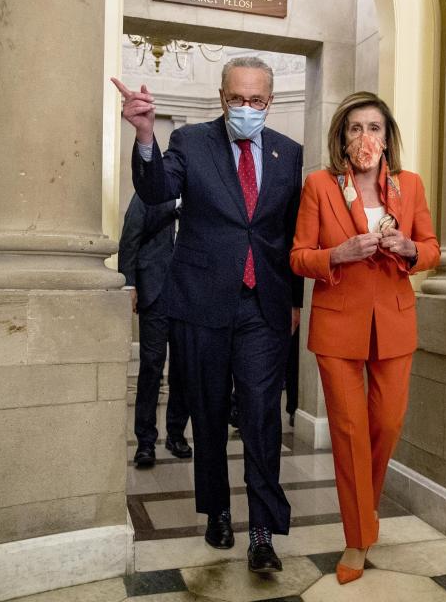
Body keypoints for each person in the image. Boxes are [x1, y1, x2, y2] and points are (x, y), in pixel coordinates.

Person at [112, 56, 303, 574]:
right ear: (222, 98)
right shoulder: (191, 143)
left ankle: (263, 529)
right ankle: (217, 510)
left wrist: (295, 303)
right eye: (237, 98)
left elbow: (292, 235)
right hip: (200, 303)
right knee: (210, 412)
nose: (246, 108)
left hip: (262, 305)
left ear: (271, 102)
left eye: (256, 100)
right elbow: (156, 191)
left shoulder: (291, 154)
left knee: (263, 416)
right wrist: (146, 134)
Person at [289, 92, 440, 584]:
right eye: (355, 128)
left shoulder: (411, 186)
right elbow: (298, 256)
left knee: (387, 425)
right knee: (349, 433)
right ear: (342, 137)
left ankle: (364, 517)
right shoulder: (319, 186)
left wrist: (410, 248)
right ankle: (356, 539)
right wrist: (337, 254)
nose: (365, 138)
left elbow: (433, 248)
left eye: (374, 127)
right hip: (337, 326)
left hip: (395, 324)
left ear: (387, 136)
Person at [118, 192, 191, 468]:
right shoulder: (152, 190)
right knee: (152, 364)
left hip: (188, 294)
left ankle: (176, 434)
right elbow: (131, 234)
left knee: (183, 367)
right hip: (155, 291)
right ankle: (145, 441)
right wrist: (129, 284)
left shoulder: (199, 190)